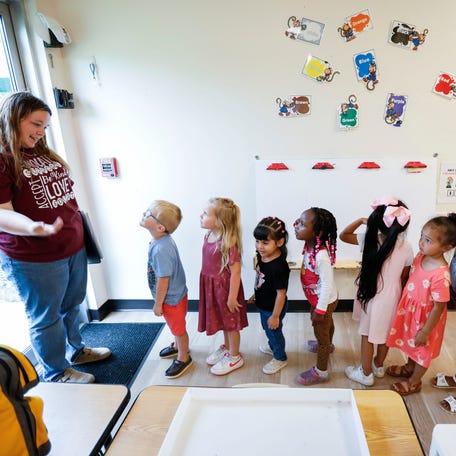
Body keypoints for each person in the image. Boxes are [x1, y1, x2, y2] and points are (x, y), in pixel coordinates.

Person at [0, 92, 110, 383]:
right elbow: (2, 214)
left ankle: (77, 350)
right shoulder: (3, 159)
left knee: (73, 304)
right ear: (14, 118)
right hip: (34, 256)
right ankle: (56, 372)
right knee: (46, 317)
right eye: (36, 124)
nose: (40, 132)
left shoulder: (41, 152)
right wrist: (33, 227)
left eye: (45, 127)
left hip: (71, 245)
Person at [341, 197, 413, 386]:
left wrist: (361, 221)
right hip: (393, 296)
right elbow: (404, 277)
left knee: (368, 335)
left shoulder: (369, 239)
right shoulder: (407, 247)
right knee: (385, 334)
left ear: (376, 221)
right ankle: (378, 366)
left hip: (371, 295)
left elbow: (344, 235)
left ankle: (365, 374)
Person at [386, 213, 456, 396]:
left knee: (422, 350)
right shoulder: (420, 256)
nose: (421, 243)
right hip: (411, 313)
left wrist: (425, 331)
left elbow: (439, 307)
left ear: (447, 247)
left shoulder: (441, 275)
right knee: (412, 343)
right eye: (421, 237)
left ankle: (414, 382)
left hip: (427, 321)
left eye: (428, 241)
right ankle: (410, 366)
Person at [140, 200, 192, 379]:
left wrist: (158, 304)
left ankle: (184, 357)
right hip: (176, 295)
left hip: (171, 299)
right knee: (175, 326)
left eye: (148, 214)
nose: (144, 214)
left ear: (160, 227)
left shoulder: (161, 248)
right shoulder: (162, 241)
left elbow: (163, 280)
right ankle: (178, 346)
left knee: (179, 329)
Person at [199, 197, 248, 375]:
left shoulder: (228, 243)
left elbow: (235, 272)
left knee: (231, 324)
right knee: (221, 320)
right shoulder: (209, 235)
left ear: (219, 221)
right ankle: (227, 348)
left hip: (225, 289)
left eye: (205, 214)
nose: (201, 216)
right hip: (211, 286)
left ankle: (235, 357)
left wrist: (232, 297)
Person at [294, 207, 338, 385]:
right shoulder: (311, 245)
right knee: (328, 326)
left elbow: (327, 283)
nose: (297, 225)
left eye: (302, 224)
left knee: (321, 334)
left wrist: (320, 310)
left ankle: (321, 372)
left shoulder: (321, 256)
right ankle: (329, 345)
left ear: (317, 232)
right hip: (322, 299)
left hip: (324, 302)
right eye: (298, 220)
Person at [248, 216, 290, 374]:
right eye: (257, 241)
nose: (260, 246)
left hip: (273, 308)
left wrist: (275, 316)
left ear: (279, 242)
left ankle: (280, 357)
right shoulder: (262, 256)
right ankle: (273, 346)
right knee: (268, 330)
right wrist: (255, 293)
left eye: (265, 242)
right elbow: (262, 278)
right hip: (263, 303)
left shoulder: (279, 267)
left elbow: (281, 294)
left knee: (274, 331)